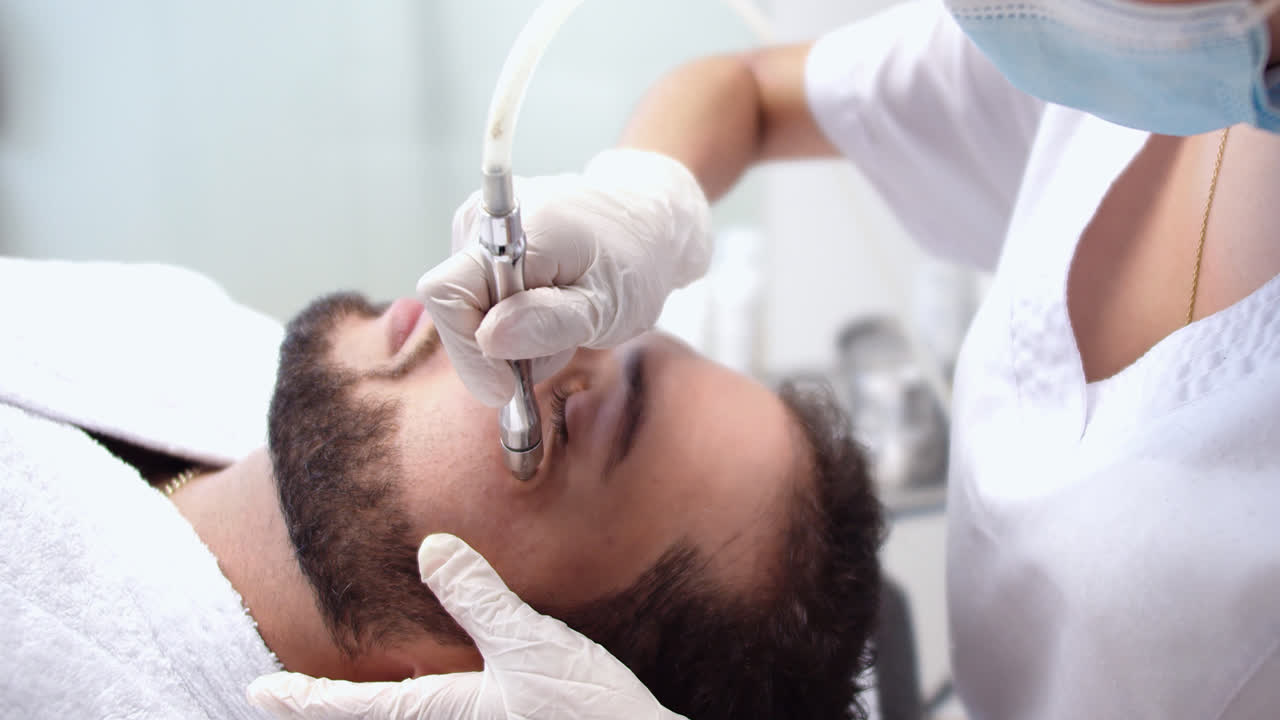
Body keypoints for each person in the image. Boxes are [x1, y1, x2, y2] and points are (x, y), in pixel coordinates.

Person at [249, 0, 1280, 718]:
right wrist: (644, 198)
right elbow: (746, 89)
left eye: (567, 424)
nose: (519, 344)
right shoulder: (1116, 42)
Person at [0, 258, 883, 719]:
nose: (523, 317)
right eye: (601, 320)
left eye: (569, 417)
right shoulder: (200, 334)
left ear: (494, 683)